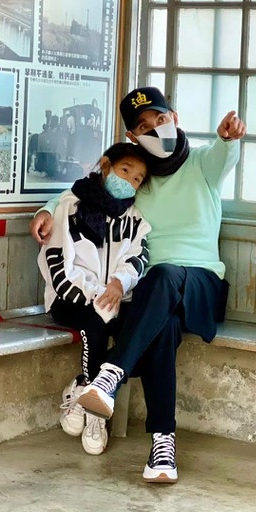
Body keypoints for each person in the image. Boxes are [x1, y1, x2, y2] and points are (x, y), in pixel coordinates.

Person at [30, 86, 246, 483]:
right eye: (144, 127)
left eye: (161, 119)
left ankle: (108, 375)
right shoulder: (137, 177)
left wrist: (228, 138)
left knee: (163, 275)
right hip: (151, 295)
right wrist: (46, 209)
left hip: (200, 284)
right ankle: (163, 446)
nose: (156, 129)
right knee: (162, 325)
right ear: (133, 136)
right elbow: (86, 189)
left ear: (174, 118)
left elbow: (224, 154)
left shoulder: (202, 164)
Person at [37, 142, 152, 456]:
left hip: (116, 298)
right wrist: (98, 295)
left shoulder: (134, 218)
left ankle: (82, 389)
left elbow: (139, 256)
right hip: (70, 298)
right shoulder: (70, 207)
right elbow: (58, 264)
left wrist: (119, 283)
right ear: (105, 166)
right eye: (124, 170)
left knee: (142, 339)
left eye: (137, 179)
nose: (129, 181)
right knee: (96, 325)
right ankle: (95, 416)